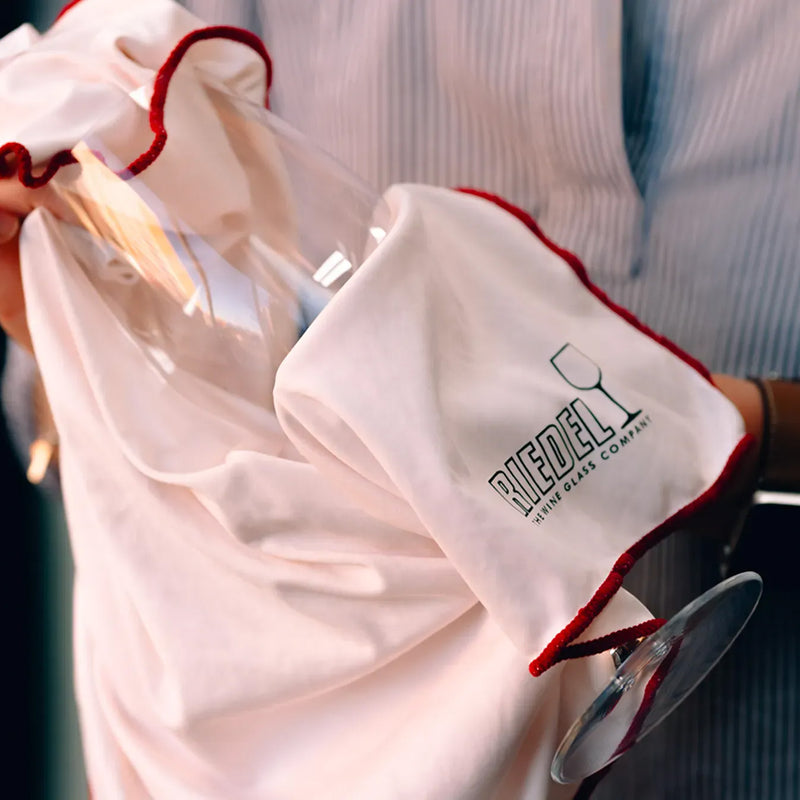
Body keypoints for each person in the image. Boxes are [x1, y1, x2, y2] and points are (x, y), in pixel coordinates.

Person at [1, 1, 798, 797]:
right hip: (378, 748)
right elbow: (80, 430)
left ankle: (603, 617)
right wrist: (67, 326)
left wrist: (747, 429)